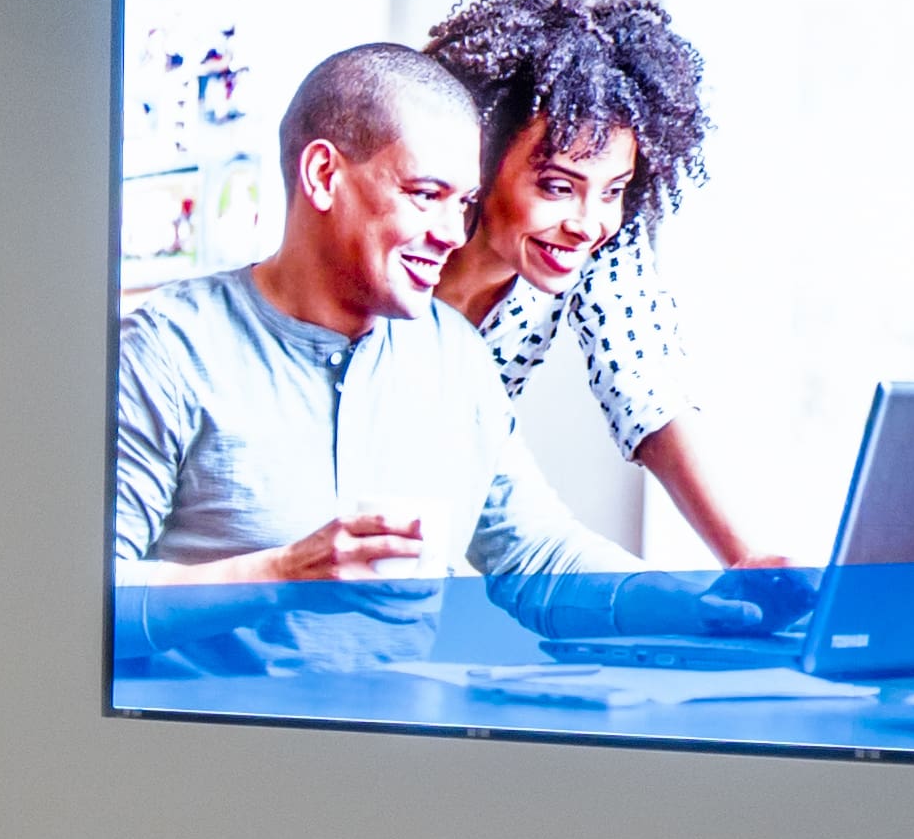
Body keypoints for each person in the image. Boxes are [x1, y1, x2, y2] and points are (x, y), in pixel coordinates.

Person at [107, 43, 662, 625]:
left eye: (464, 202)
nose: (452, 234)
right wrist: (280, 575)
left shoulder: (457, 356)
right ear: (324, 176)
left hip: (399, 717)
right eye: (426, 195)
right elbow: (74, 599)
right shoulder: (168, 348)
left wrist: (700, 602)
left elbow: (541, 558)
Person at [414, 0, 784, 570]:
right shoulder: (401, 248)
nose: (589, 221)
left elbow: (647, 388)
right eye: (558, 186)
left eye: (614, 189)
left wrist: (747, 558)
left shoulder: (591, 245)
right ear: (479, 156)